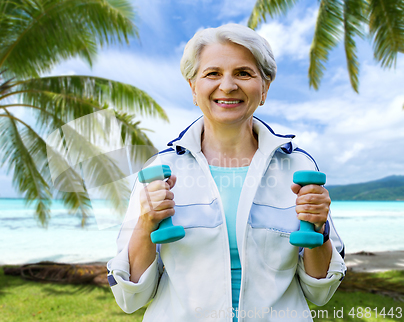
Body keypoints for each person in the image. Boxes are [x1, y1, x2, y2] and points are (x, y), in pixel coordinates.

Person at [106, 23, 346, 322]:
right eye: (212, 74)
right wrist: (145, 224)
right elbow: (131, 297)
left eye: (243, 73)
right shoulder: (158, 171)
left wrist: (319, 228)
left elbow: (320, 292)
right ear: (194, 88)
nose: (228, 85)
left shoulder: (300, 168)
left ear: (265, 87)